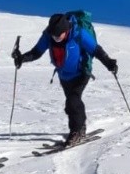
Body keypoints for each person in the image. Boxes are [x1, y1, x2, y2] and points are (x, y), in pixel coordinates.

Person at [11, 12, 118, 146]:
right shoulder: (49, 35)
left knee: (73, 100)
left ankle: (76, 131)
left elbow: (95, 49)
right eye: (53, 35)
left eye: (58, 35)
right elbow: (37, 52)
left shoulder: (78, 34)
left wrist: (109, 63)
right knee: (72, 103)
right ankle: (80, 127)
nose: (56, 38)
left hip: (81, 72)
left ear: (66, 30)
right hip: (64, 75)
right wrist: (22, 58)